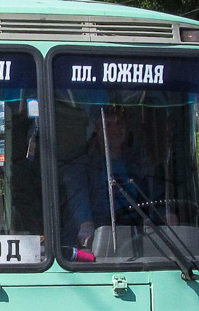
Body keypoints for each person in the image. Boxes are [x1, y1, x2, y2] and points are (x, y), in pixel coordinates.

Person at [59, 105, 155, 249]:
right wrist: (86, 224)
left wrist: (165, 214)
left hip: (140, 235)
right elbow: (79, 200)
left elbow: (154, 197)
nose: (115, 130)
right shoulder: (80, 168)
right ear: (96, 128)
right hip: (101, 239)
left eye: (120, 124)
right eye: (108, 124)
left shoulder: (139, 164)